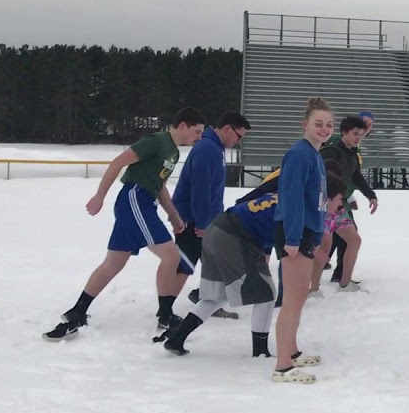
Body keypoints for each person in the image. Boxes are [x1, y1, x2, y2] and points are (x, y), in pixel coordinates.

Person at [43, 108, 207, 340]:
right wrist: (99, 196)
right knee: (171, 256)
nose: (199, 137)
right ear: (182, 125)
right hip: (134, 199)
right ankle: (165, 314)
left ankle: (77, 311)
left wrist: (174, 216)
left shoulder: (173, 152)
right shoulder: (156, 141)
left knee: (113, 263)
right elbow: (118, 163)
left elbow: (159, 187)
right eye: (197, 131)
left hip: (144, 201)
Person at [158, 173, 347, 358]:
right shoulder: (302, 208)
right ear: (326, 196)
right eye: (340, 199)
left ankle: (177, 339)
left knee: (218, 295)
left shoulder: (294, 199)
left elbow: (266, 228)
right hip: (234, 236)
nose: (341, 206)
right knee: (265, 295)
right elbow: (287, 247)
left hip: (219, 229)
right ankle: (260, 351)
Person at [270, 97, 335, 384]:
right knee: (293, 300)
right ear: (305, 125)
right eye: (318, 124)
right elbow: (291, 197)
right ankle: (283, 367)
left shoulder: (315, 154)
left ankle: (292, 352)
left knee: (298, 299)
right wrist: (294, 238)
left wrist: (317, 230)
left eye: (329, 125)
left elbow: (315, 199)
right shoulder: (299, 154)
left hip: (306, 231)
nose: (324, 129)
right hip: (292, 233)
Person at [167, 111, 251, 320]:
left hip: (206, 219)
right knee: (185, 264)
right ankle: (165, 310)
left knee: (214, 262)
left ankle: (208, 302)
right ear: (227, 129)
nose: (238, 142)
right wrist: (204, 223)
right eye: (238, 136)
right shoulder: (208, 149)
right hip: (193, 220)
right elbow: (201, 189)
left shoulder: (214, 148)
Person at [318, 115, 378, 290]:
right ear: (344, 133)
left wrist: (370, 195)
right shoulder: (332, 151)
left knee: (354, 240)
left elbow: (355, 176)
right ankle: (312, 287)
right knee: (323, 245)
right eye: (354, 134)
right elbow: (321, 179)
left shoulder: (352, 153)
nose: (358, 137)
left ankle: (344, 283)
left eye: (360, 134)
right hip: (324, 205)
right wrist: (330, 200)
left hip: (339, 204)